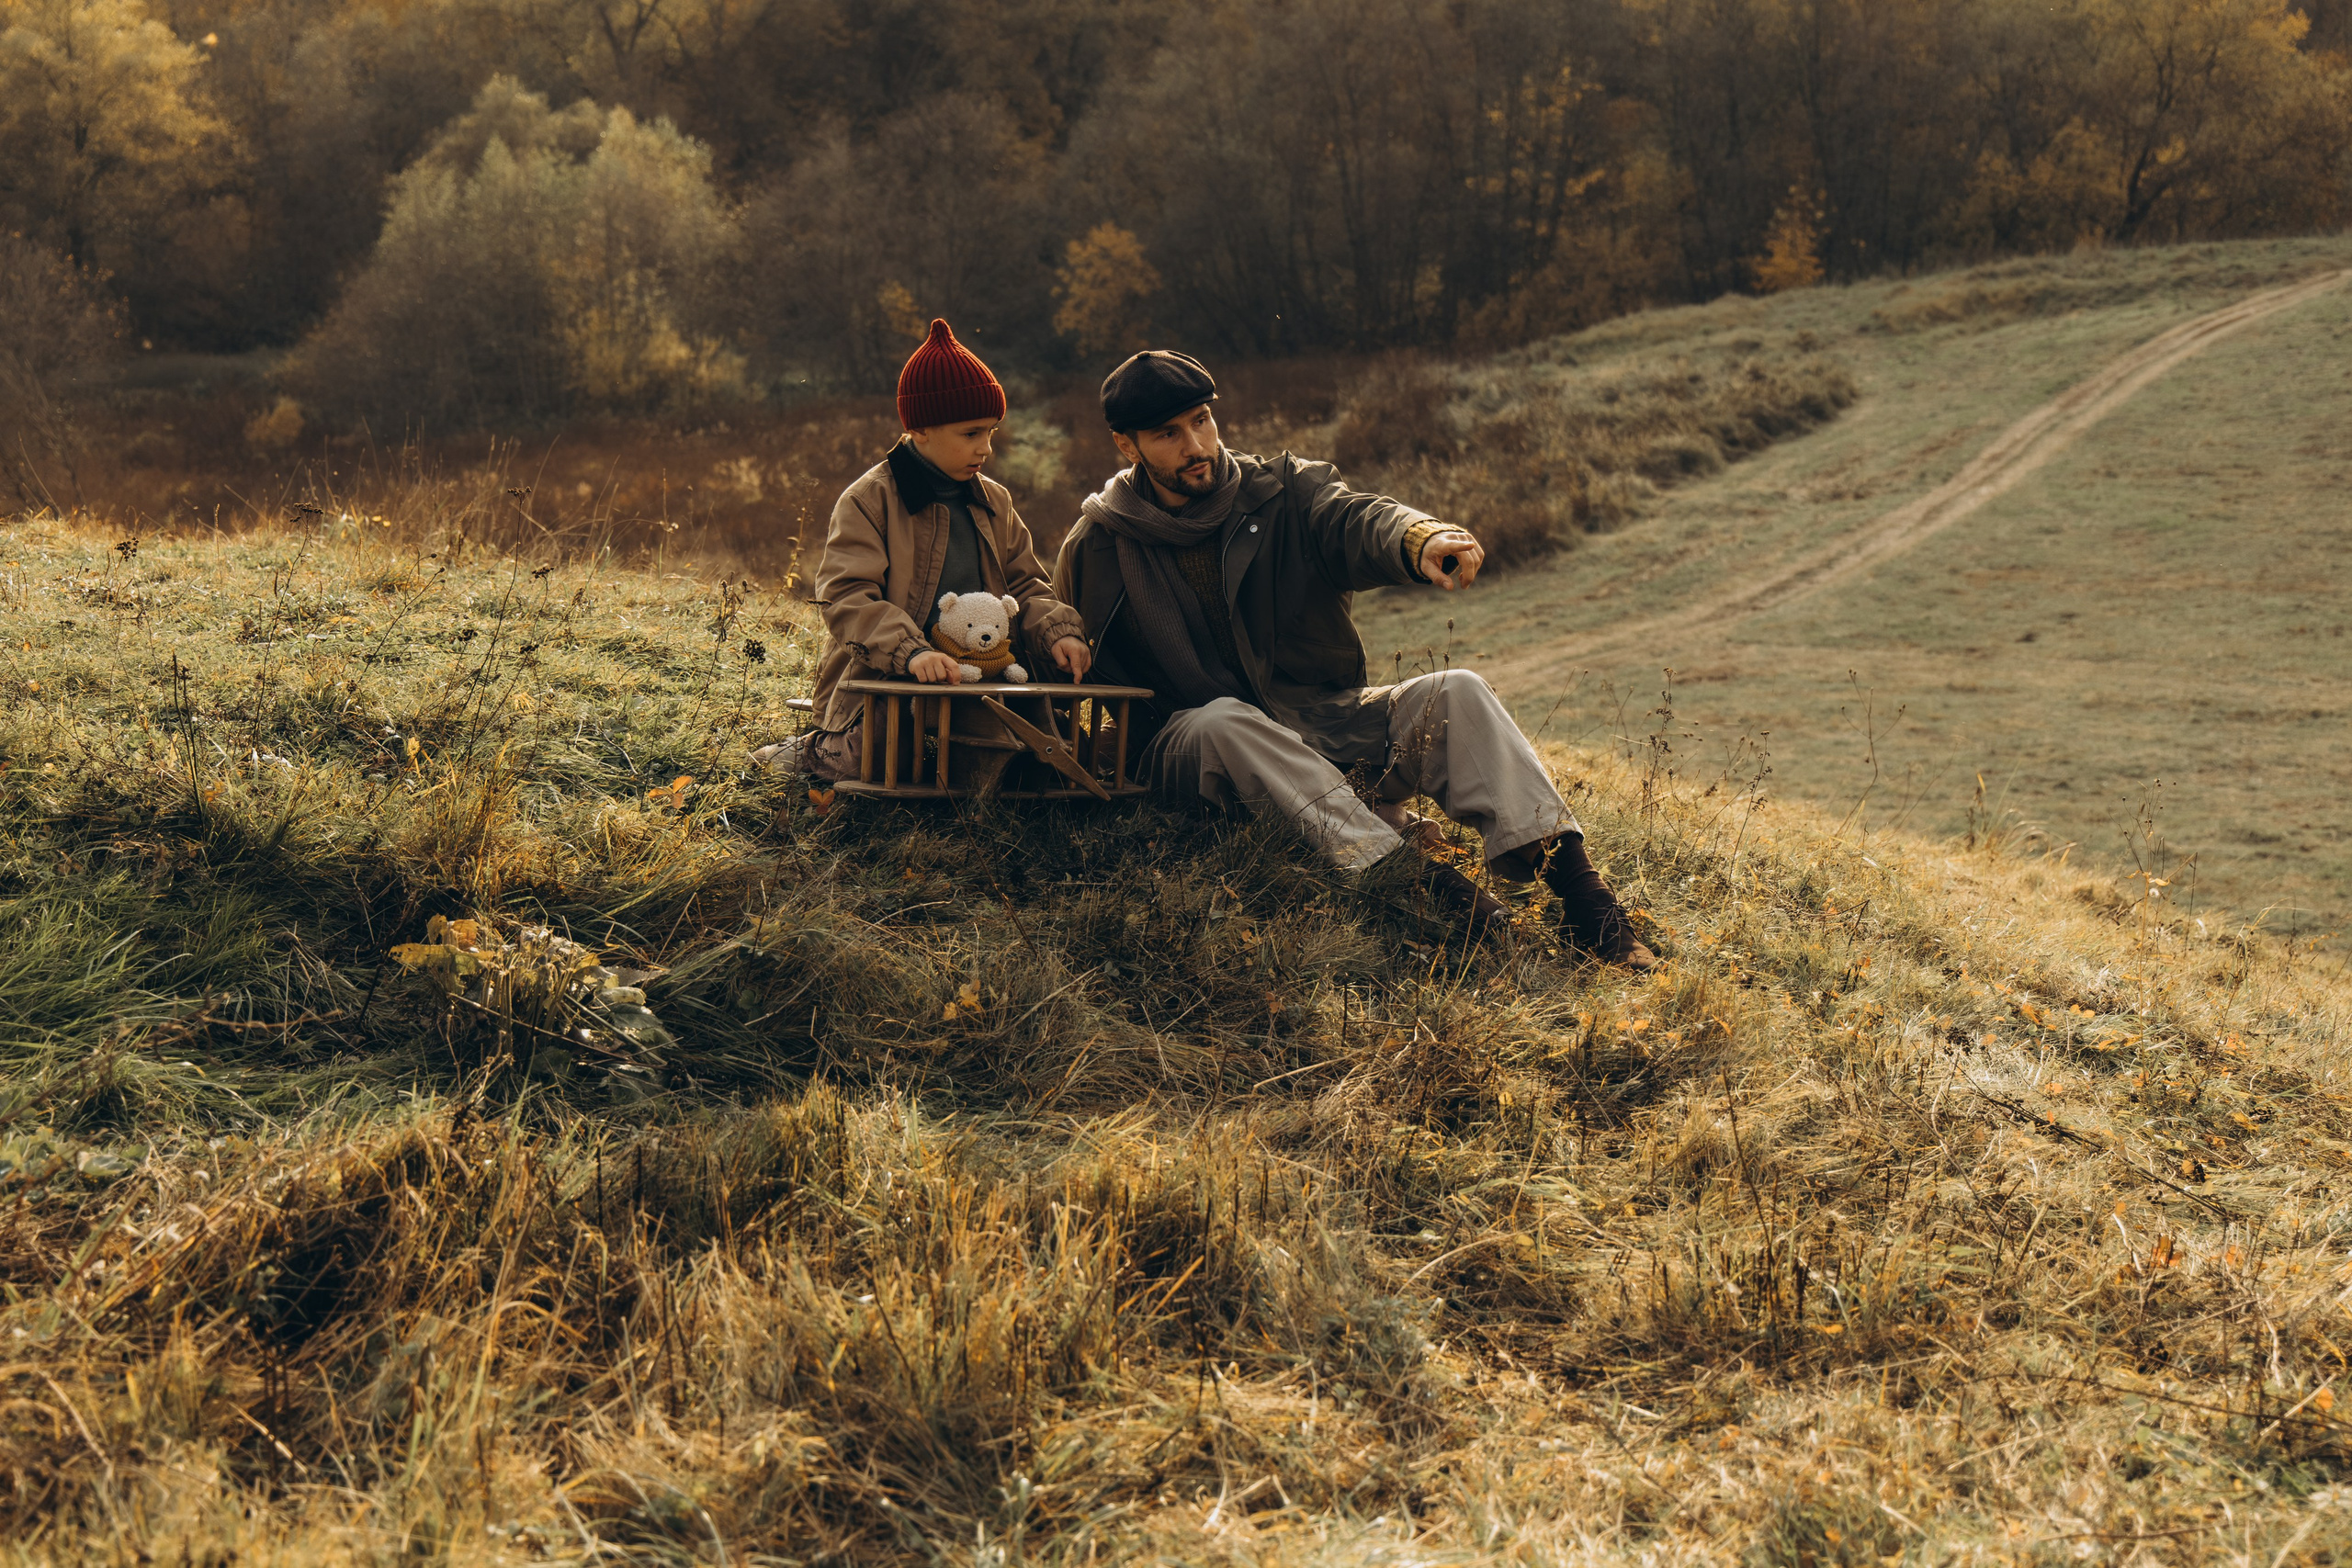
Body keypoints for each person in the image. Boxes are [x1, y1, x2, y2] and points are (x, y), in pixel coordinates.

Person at [1054, 350, 1655, 967]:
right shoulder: (1097, 546)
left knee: (1459, 689)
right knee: (1225, 719)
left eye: (1202, 421)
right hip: (1197, 759)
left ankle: (1592, 910)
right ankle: (1442, 898)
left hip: (1321, 725)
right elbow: (1078, 680)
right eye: (1168, 434)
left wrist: (1417, 538)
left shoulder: (1281, 491)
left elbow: (1354, 516)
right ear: (1127, 446)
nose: (1196, 444)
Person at [763, 319, 1092, 779]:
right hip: (890, 674)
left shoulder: (994, 500)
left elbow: (1026, 584)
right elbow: (848, 596)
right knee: (870, 760)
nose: (986, 449)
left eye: (992, 433)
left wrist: (1058, 632)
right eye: (971, 434)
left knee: (1045, 758)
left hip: (984, 671)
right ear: (920, 429)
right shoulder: (870, 499)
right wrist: (911, 652)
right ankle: (814, 751)